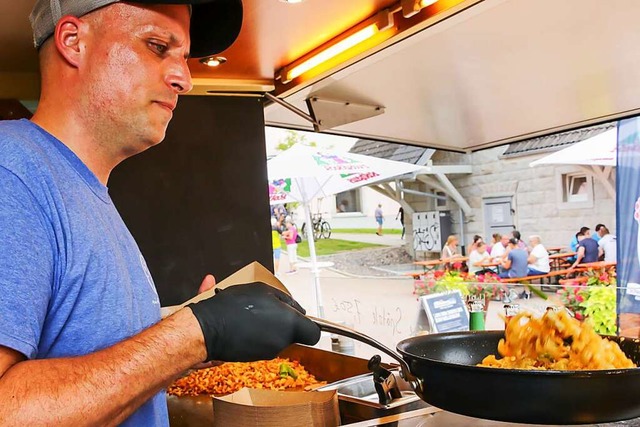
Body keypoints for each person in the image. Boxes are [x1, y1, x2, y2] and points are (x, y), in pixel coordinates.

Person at [0, 2, 320, 425]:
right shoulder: (13, 172)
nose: (184, 79)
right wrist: (194, 333)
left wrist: (184, 340)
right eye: (156, 46)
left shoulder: (79, 188)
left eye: (184, 58)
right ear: (73, 42)